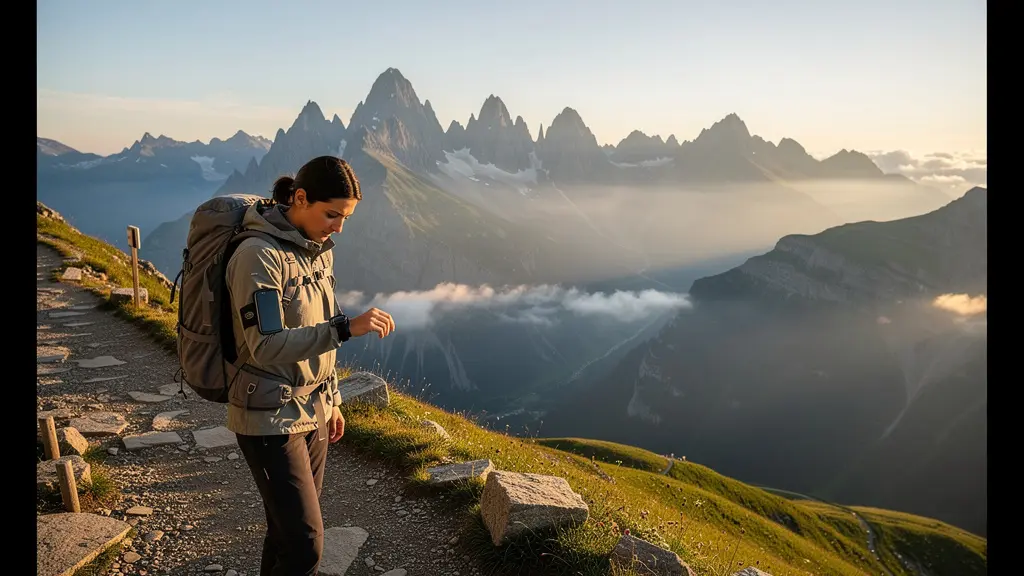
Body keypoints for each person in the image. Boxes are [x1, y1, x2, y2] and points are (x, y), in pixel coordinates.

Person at [224, 155, 396, 575]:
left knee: (286, 534)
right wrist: (345, 330)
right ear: (300, 198)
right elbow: (264, 345)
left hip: (312, 410)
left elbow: (317, 326)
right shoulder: (258, 256)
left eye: (346, 217)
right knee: (305, 547)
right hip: (266, 415)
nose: (339, 226)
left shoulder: (318, 250)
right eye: (332, 214)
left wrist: (332, 397)